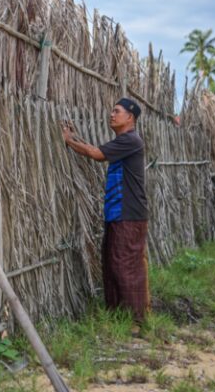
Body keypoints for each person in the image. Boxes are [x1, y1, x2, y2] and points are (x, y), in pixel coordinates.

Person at [61, 98, 150, 322]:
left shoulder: (131, 140)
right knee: (112, 263)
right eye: (111, 111)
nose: (111, 115)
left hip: (129, 214)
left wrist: (69, 141)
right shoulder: (122, 143)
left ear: (130, 117)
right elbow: (97, 149)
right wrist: (75, 138)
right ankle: (118, 315)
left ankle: (136, 321)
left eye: (116, 111)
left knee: (125, 265)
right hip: (117, 213)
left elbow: (96, 154)